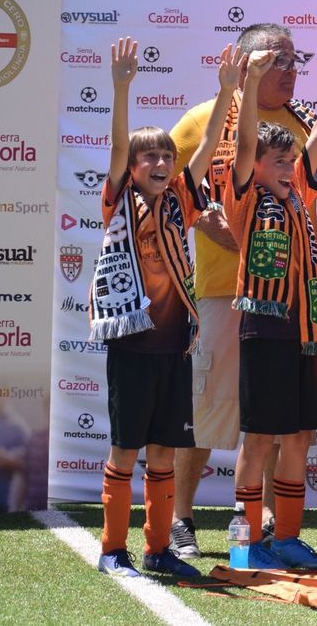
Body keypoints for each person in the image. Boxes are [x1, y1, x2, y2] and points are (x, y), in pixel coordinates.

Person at [168, 23, 316, 557]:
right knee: (205, 408)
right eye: (278, 60)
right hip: (219, 290)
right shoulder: (202, 119)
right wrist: (227, 232)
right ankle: (182, 518)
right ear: (246, 62)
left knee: (272, 413)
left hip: (282, 299)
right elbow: (179, 194)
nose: (291, 70)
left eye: (295, 60)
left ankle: (267, 518)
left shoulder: (298, 127)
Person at [92, 37, 224, 577]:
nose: (161, 162)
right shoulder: (120, 199)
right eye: (151, 155)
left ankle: (158, 548)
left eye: (167, 154)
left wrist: (227, 91)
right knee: (126, 453)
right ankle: (112, 550)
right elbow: (118, 149)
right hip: (132, 345)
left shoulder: (180, 202)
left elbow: (210, 146)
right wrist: (122, 88)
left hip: (174, 345)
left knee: (164, 454)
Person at [223, 48, 317, 569]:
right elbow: (240, 148)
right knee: (258, 439)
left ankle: (286, 538)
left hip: (306, 329)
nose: (287, 169)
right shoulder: (245, 196)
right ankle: (245, 542)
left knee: (300, 435)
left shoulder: (298, 193)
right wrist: (248, 84)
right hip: (264, 328)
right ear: (253, 167)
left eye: (289, 162)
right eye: (276, 162)